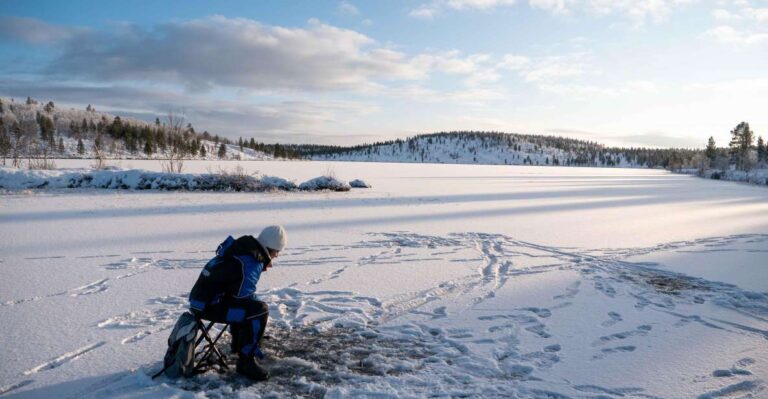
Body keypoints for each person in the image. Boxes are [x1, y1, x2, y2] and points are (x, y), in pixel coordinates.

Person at [188, 225, 287, 381]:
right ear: (271, 249)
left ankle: (239, 345)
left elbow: (236, 293)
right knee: (259, 310)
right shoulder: (251, 262)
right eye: (277, 253)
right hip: (207, 307)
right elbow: (242, 298)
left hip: (199, 301)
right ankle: (246, 361)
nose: (276, 257)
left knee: (247, 307)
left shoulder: (242, 249)